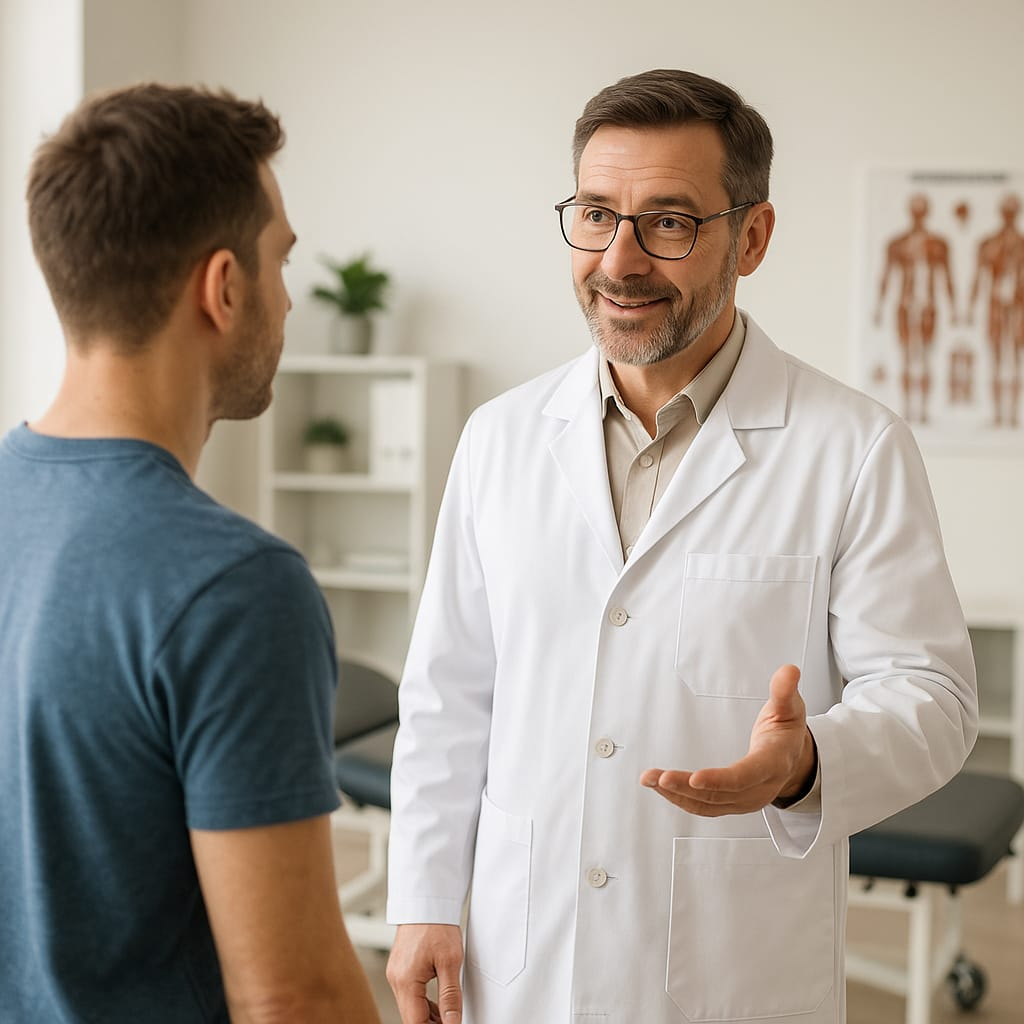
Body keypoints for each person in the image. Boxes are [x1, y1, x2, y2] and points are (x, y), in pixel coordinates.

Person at [385, 69, 978, 1024]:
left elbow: (935, 699)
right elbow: (451, 692)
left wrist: (807, 763)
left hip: (734, 969)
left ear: (752, 236)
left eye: (667, 222)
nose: (618, 260)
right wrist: (420, 900)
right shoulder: (500, 437)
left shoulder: (853, 446)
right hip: (527, 952)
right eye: (594, 214)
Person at [0, 84, 381, 1023]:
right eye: (280, 260)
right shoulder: (234, 587)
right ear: (222, 287)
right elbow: (292, 999)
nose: (288, 298)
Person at [873, 192, 958, 423]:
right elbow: (886, 277)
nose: (918, 215)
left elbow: (946, 277)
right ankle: (909, 410)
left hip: (928, 307)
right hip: (905, 304)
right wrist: (879, 307)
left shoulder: (938, 245)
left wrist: (954, 309)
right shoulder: (898, 244)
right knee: (906, 357)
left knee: (926, 357)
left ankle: (923, 411)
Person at [968, 193, 1024, 426]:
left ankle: (1011, 414)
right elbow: (979, 278)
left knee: (1016, 359)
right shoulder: (989, 244)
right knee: (997, 358)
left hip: (1019, 307)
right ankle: (998, 414)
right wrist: (969, 308)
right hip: (995, 308)